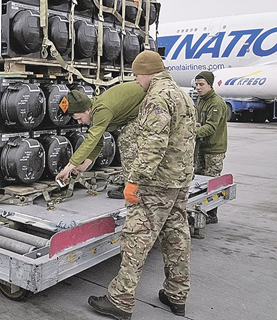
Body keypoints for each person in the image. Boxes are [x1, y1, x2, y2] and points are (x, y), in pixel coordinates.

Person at [87, 50, 196, 319]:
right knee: (176, 236)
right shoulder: (183, 94)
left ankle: (120, 300)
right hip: (179, 180)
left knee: (137, 239)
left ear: (147, 72)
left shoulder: (157, 96)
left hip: (156, 182)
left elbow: (153, 144)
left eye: (137, 76)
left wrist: (134, 179)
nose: (137, 82)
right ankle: (176, 294)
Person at [55, 83, 146, 198]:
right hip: (140, 108)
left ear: (87, 110)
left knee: (126, 140)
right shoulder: (93, 110)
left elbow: (91, 140)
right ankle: (134, 182)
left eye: (79, 118)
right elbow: (98, 141)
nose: (79, 122)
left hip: (151, 101)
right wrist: (84, 165)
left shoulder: (101, 110)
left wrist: (68, 168)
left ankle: (133, 188)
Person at [191, 70, 228, 239]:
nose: (198, 88)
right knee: (199, 181)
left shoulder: (216, 103)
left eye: (201, 85)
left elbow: (211, 127)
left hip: (214, 149)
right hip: (201, 147)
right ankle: (201, 211)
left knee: (212, 182)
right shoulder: (201, 100)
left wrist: (192, 131)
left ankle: (212, 213)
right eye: (197, 84)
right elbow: (200, 121)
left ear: (210, 85)